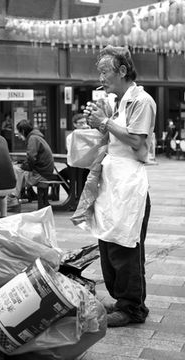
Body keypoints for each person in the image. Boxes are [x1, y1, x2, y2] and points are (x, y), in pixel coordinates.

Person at [84, 45, 156, 327]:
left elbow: (137, 141)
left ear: (122, 71)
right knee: (110, 242)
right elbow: (118, 137)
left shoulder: (142, 101)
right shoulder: (121, 102)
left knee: (126, 246)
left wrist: (104, 122)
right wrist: (101, 122)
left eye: (105, 72)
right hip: (114, 182)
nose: (101, 78)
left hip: (128, 185)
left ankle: (132, 307)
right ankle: (123, 299)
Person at [15, 118, 54, 209]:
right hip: (45, 170)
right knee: (19, 168)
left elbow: (31, 158)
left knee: (15, 170)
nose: (18, 135)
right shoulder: (36, 136)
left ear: (23, 131)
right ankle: (23, 195)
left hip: (41, 173)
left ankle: (14, 198)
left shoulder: (33, 138)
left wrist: (24, 166)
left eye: (19, 132)